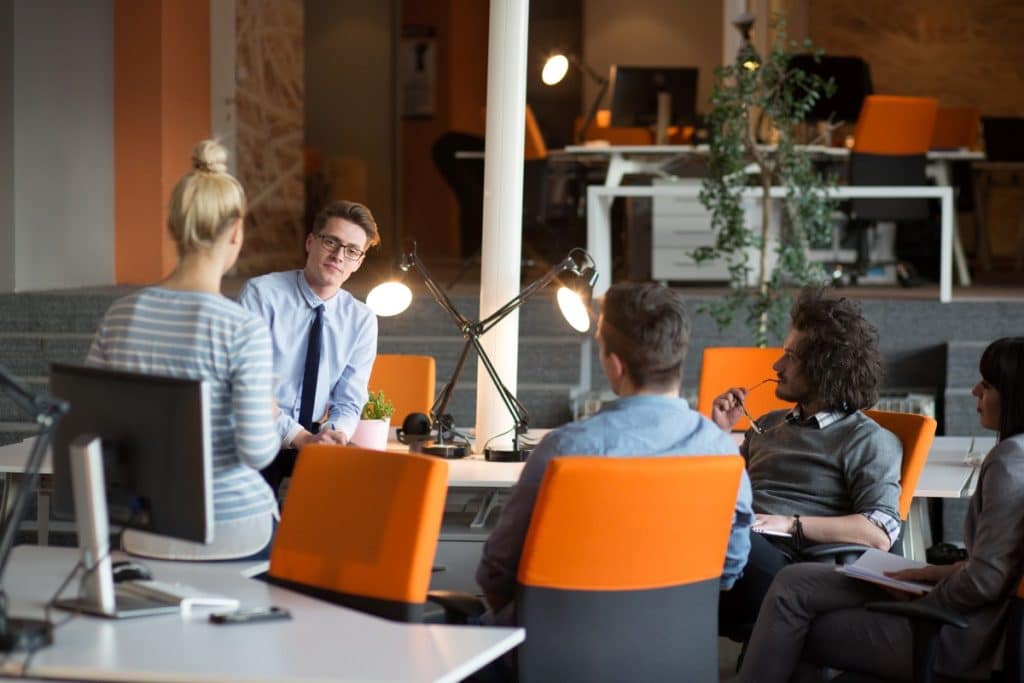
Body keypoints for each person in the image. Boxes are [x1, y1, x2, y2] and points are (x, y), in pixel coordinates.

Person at [737, 337, 1024, 682]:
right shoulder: (1014, 455)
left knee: (791, 622)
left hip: (967, 637)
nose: (975, 391)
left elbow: (985, 582)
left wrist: (919, 601)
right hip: (972, 610)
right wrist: (934, 573)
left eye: (988, 385)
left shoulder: (1010, 462)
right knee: (793, 582)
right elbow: (997, 565)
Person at [476, 282, 754, 627]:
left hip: (555, 651)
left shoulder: (564, 451)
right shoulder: (723, 455)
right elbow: (730, 570)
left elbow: (496, 571)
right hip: (672, 651)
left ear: (615, 365)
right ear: (679, 355)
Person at [87, 140, 279, 560]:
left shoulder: (120, 315)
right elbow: (257, 452)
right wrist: (268, 408)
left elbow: (93, 427)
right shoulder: (242, 329)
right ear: (236, 232)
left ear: (173, 228)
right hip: (234, 531)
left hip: (144, 529)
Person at [712, 288, 902, 629]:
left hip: (789, 564)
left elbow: (880, 531)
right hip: (742, 546)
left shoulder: (866, 439)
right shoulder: (767, 424)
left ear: (822, 369)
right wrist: (718, 431)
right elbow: (719, 488)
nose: (776, 365)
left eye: (790, 356)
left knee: (724, 536)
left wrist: (790, 524)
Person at [239, 200, 379, 496]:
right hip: (257, 439)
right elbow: (251, 387)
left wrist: (337, 434)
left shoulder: (362, 319)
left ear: (358, 262)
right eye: (332, 242)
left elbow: (350, 399)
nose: (339, 255)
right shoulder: (262, 296)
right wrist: (299, 437)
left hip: (316, 442)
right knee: (261, 534)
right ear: (310, 242)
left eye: (352, 250)